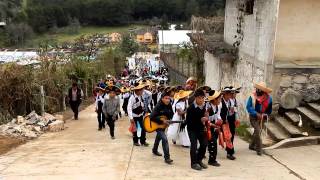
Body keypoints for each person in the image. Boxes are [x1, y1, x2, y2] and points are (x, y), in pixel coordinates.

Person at [184, 89, 208, 170]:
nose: (201, 100)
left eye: (202, 98)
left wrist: (204, 122)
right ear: (196, 98)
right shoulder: (190, 108)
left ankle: (199, 160)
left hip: (200, 128)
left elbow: (203, 118)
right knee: (194, 146)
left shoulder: (204, 107)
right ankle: (193, 163)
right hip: (192, 129)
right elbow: (188, 121)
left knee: (204, 144)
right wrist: (200, 120)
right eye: (199, 98)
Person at [246, 82, 273, 156]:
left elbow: (269, 110)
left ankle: (251, 145)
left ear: (264, 91)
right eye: (258, 89)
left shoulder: (269, 99)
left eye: (260, 89)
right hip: (253, 117)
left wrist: (265, 115)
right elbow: (248, 107)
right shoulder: (252, 96)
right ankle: (259, 149)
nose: (258, 90)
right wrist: (256, 114)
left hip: (262, 117)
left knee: (257, 132)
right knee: (257, 131)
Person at [150, 90, 174, 164]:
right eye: (166, 98)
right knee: (164, 139)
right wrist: (162, 121)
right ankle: (167, 158)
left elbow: (171, 114)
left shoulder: (169, 105)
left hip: (164, 125)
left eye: (168, 98)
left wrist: (169, 120)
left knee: (158, 137)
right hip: (157, 125)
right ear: (162, 98)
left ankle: (154, 150)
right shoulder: (158, 106)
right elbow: (151, 117)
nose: (167, 100)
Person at [206, 90, 223, 167]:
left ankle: (203, 155)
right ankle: (212, 160)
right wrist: (213, 125)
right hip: (207, 127)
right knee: (213, 143)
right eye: (219, 99)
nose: (220, 100)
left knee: (210, 142)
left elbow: (218, 115)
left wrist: (220, 120)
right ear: (214, 99)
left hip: (214, 127)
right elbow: (206, 119)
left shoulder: (218, 106)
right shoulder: (208, 107)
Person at [221, 86, 237, 160]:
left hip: (230, 120)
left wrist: (232, 111)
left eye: (230, 94)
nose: (229, 96)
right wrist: (223, 120)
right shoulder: (220, 101)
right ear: (224, 94)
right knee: (214, 135)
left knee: (231, 136)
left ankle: (229, 152)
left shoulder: (231, 101)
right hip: (222, 121)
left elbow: (233, 110)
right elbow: (219, 112)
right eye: (227, 94)